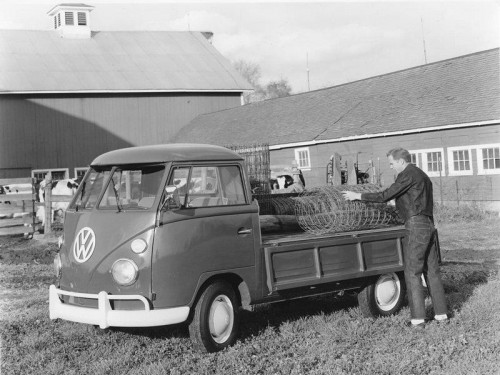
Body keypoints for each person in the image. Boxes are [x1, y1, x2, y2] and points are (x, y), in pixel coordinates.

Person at [342, 147, 448, 328]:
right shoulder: (422, 175)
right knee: (431, 271)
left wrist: (357, 195)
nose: (391, 167)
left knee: (412, 272)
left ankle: (418, 319)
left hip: (415, 225)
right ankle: (441, 315)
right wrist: (399, 203)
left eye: (392, 163)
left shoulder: (407, 174)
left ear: (401, 161)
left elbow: (385, 195)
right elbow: (414, 198)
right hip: (428, 224)